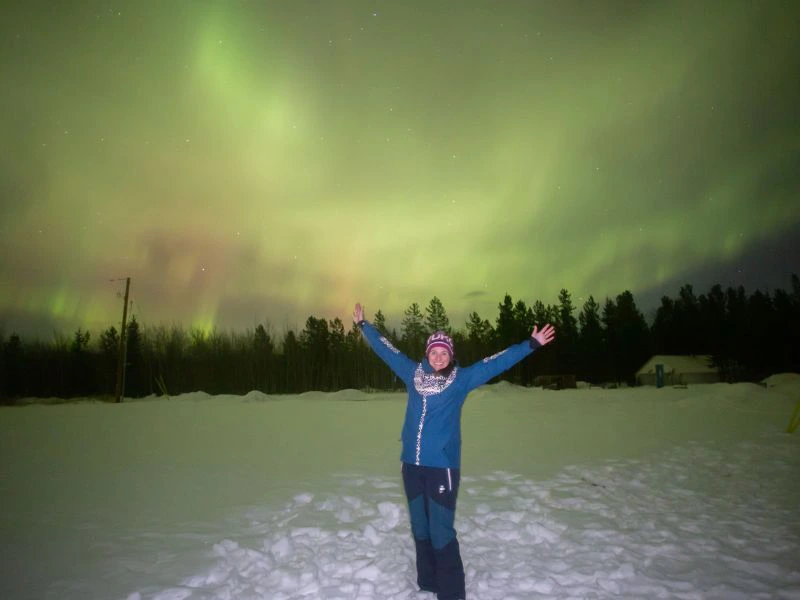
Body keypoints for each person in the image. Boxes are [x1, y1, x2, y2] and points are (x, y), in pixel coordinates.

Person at [353, 302, 555, 600]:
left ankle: (451, 593)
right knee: (420, 527)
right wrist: (364, 326)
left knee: (441, 531)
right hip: (411, 466)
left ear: (451, 356)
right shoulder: (412, 374)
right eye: (434, 352)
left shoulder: (460, 380)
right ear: (427, 354)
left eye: (444, 353)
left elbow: (495, 363)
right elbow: (388, 351)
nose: (438, 357)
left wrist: (531, 344)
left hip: (442, 468)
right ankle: (428, 582)